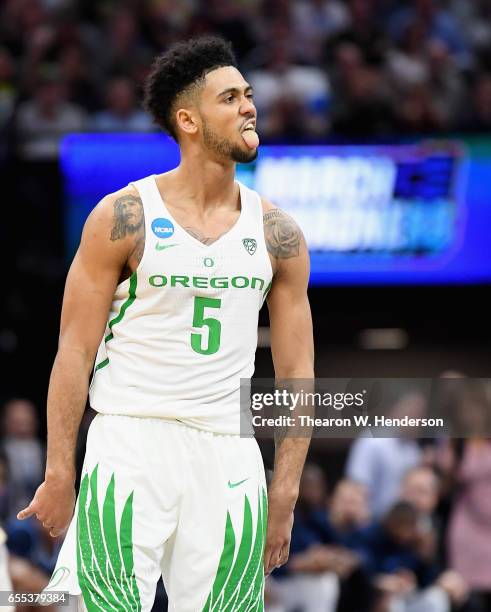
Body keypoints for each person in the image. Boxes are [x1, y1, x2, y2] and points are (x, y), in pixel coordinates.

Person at [16, 36, 314, 611]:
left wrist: (287, 487)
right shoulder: (122, 216)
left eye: (248, 95)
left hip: (229, 449)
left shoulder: (280, 233)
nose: (249, 106)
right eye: (230, 98)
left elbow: (297, 371)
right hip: (131, 439)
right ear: (189, 119)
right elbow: (73, 352)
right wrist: (59, 470)